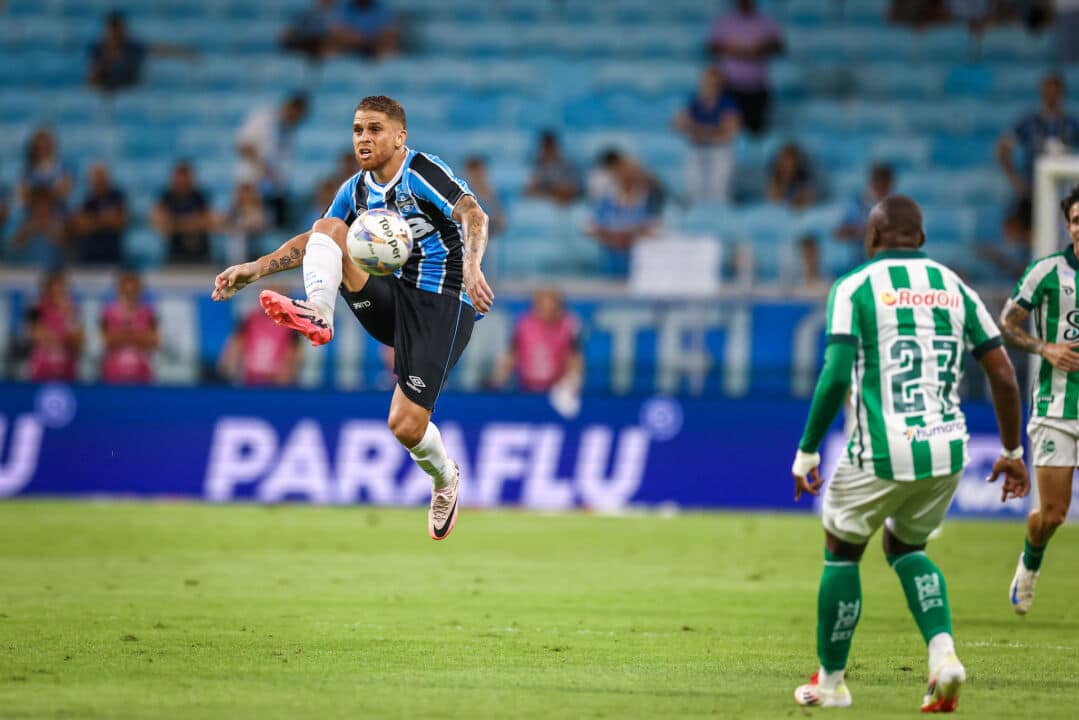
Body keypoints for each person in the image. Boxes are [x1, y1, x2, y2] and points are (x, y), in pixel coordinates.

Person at [211, 95, 493, 541]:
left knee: (405, 425)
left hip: (445, 303)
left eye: (375, 129)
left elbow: (473, 214)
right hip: (395, 296)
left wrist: (474, 266)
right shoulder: (356, 188)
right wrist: (254, 268)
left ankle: (445, 479)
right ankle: (319, 313)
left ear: (400, 136)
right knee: (329, 229)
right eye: (358, 129)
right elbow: (314, 241)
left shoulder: (421, 172)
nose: (364, 138)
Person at [789, 195, 1029, 711]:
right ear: (920, 240)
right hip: (947, 449)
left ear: (871, 238)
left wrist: (808, 449)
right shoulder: (957, 287)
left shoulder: (852, 286)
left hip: (881, 447)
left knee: (842, 548)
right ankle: (944, 658)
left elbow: (834, 376)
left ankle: (830, 683)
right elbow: (1005, 378)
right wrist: (1012, 450)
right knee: (905, 549)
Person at [997, 183, 1079, 616]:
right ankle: (1029, 565)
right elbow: (1007, 323)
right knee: (1052, 515)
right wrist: (1046, 348)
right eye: (1076, 221)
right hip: (1055, 409)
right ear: (1068, 226)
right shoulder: (1046, 271)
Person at [996, 73, 1079, 232]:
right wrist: (1016, 180)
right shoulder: (1029, 123)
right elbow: (1002, 149)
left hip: (1062, 192)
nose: (1051, 97)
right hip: (1032, 190)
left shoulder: (1071, 124)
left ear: (1061, 94)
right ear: (1042, 93)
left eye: (1055, 93)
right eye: (1048, 93)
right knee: (1021, 230)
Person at [707, 0, 784, 134]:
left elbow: (779, 46)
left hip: (757, 87)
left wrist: (760, 49)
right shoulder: (725, 22)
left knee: (756, 133)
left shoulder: (766, 21)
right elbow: (711, 47)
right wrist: (733, 50)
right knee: (728, 131)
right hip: (730, 86)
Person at [235, 92, 309, 228]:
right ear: (289, 107)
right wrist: (262, 166)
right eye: (295, 116)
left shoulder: (289, 131)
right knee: (250, 223)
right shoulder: (262, 118)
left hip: (274, 189)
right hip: (252, 184)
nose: (294, 121)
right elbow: (242, 145)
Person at [489, 288, 583, 393]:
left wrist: (571, 382)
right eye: (542, 306)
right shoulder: (523, 325)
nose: (546, 311)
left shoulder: (568, 326)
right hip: (526, 389)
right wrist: (498, 378)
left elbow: (574, 359)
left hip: (557, 391)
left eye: (551, 307)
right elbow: (511, 355)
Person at [672, 67, 741, 205]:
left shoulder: (728, 103)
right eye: (705, 82)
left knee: (719, 192)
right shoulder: (694, 101)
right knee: (693, 191)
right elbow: (676, 124)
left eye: (712, 83)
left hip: (719, 151)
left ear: (719, 85)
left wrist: (697, 130)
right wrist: (713, 130)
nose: (708, 86)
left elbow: (730, 133)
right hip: (697, 150)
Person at [586, 155, 661, 278]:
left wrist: (633, 235)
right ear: (616, 175)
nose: (627, 176)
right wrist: (611, 237)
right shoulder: (607, 201)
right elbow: (590, 229)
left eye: (631, 173)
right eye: (623, 172)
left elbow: (657, 231)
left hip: (639, 267)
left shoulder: (648, 201)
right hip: (611, 265)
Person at [218, 296, 303, 387]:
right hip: (248, 384)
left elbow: (293, 356)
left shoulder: (290, 324)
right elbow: (233, 352)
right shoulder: (250, 320)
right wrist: (228, 376)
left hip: (277, 386)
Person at [100, 271, 158, 384]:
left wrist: (122, 336)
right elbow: (107, 341)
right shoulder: (108, 313)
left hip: (142, 374)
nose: (130, 294)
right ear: (119, 290)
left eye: (133, 291)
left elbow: (153, 342)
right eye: (126, 291)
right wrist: (137, 336)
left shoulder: (149, 313)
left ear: (139, 290)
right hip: (113, 373)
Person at [25, 271, 84, 382]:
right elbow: (34, 335)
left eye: (62, 288)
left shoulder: (72, 309)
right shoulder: (36, 308)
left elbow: (78, 341)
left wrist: (67, 315)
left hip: (67, 369)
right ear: (47, 289)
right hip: (41, 368)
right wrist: (62, 337)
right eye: (55, 288)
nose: (59, 292)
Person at [152, 161, 215, 264]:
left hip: (200, 253)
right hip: (175, 253)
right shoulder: (166, 197)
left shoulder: (200, 196)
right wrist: (193, 222)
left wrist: (176, 223)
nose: (183, 182)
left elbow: (209, 221)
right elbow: (161, 225)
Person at [73, 163, 128, 265]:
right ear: (90, 179)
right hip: (88, 257)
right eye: (96, 177)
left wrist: (92, 221)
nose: (99, 180)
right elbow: (80, 226)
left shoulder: (117, 196)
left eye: (101, 176)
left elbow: (120, 222)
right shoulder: (85, 199)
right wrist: (106, 220)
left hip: (112, 256)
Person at [86, 10, 146, 92]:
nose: (115, 37)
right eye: (112, 33)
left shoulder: (134, 49)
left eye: (118, 32)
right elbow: (90, 82)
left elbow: (138, 80)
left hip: (128, 85)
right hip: (106, 85)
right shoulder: (97, 50)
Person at [8, 189, 69, 267]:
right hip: (25, 271)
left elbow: (68, 250)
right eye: (38, 206)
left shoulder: (59, 224)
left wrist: (49, 231)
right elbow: (12, 247)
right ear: (32, 207)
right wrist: (28, 231)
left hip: (52, 272)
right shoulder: (22, 222)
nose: (42, 209)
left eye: (45, 206)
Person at [835, 164, 895, 242]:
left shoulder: (899, 207)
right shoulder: (857, 203)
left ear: (890, 185)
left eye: (884, 185)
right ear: (871, 183)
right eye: (877, 184)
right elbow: (839, 233)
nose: (880, 189)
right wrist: (859, 231)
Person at [327, 0, 400, 58]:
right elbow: (337, 29)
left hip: (375, 45)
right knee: (331, 48)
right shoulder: (343, 6)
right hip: (349, 45)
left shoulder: (383, 6)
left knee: (388, 47)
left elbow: (388, 29)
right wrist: (358, 39)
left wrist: (368, 38)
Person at [525, 130, 583, 204]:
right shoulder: (537, 166)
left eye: (550, 148)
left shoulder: (569, 166)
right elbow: (528, 191)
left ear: (556, 148)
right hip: (545, 207)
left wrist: (547, 190)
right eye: (545, 149)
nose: (547, 152)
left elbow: (569, 192)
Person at [221, 181, 270, 267]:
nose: (245, 196)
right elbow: (226, 224)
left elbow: (260, 226)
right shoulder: (234, 210)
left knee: (240, 239)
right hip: (237, 239)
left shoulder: (259, 210)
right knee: (236, 238)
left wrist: (248, 226)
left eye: (247, 193)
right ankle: (234, 264)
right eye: (242, 193)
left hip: (253, 241)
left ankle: (242, 264)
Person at [21, 128, 74, 207]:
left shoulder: (62, 166)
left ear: (52, 147)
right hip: (35, 210)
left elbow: (66, 190)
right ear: (34, 149)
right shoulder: (28, 170)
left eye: (46, 146)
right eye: (40, 147)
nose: (43, 150)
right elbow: (23, 196)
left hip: (57, 209)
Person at [463, 155, 505, 236]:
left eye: (479, 171)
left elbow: (502, 224)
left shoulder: (501, 195)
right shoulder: (463, 198)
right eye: (473, 173)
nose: (477, 176)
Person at [766, 143, 815, 209]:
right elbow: (771, 199)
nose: (787, 166)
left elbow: (808, 199)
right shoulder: (773, 176)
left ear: (797, 163)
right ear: (779, 162)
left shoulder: (804, 178)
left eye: (790, 162)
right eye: (784, 162)